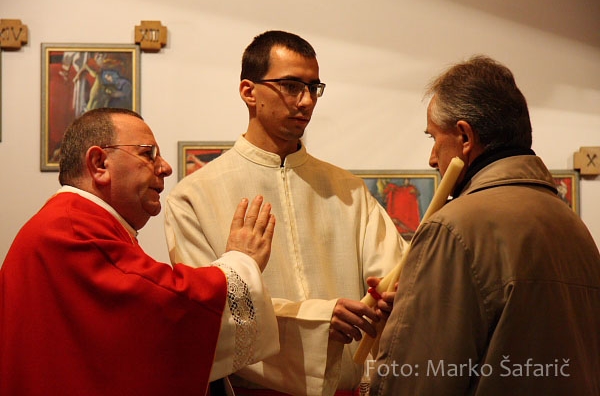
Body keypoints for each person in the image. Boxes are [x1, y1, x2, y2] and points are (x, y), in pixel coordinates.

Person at [164, 30, 408, 395]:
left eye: (314, 88)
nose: (306, 101)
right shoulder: (194, 196)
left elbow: (392, 277)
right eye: (291, 86)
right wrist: (320, 320)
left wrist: (394, 296)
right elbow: (208, 313)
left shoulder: (349, 190)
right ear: (249, 91)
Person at [0, 108, 279, 396]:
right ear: (99, 164)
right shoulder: (73, 230)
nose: (166, 167)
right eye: (148, 154)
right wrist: (241, 261)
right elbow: (162, 308)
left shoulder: (72, 222)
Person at [370, 55, 600, 395]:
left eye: (434, 138)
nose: (432, 158)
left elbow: (417, 380)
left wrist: (400, 336)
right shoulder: (574, 226)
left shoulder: (453, 228)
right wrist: (408, 316)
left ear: (465, 137)